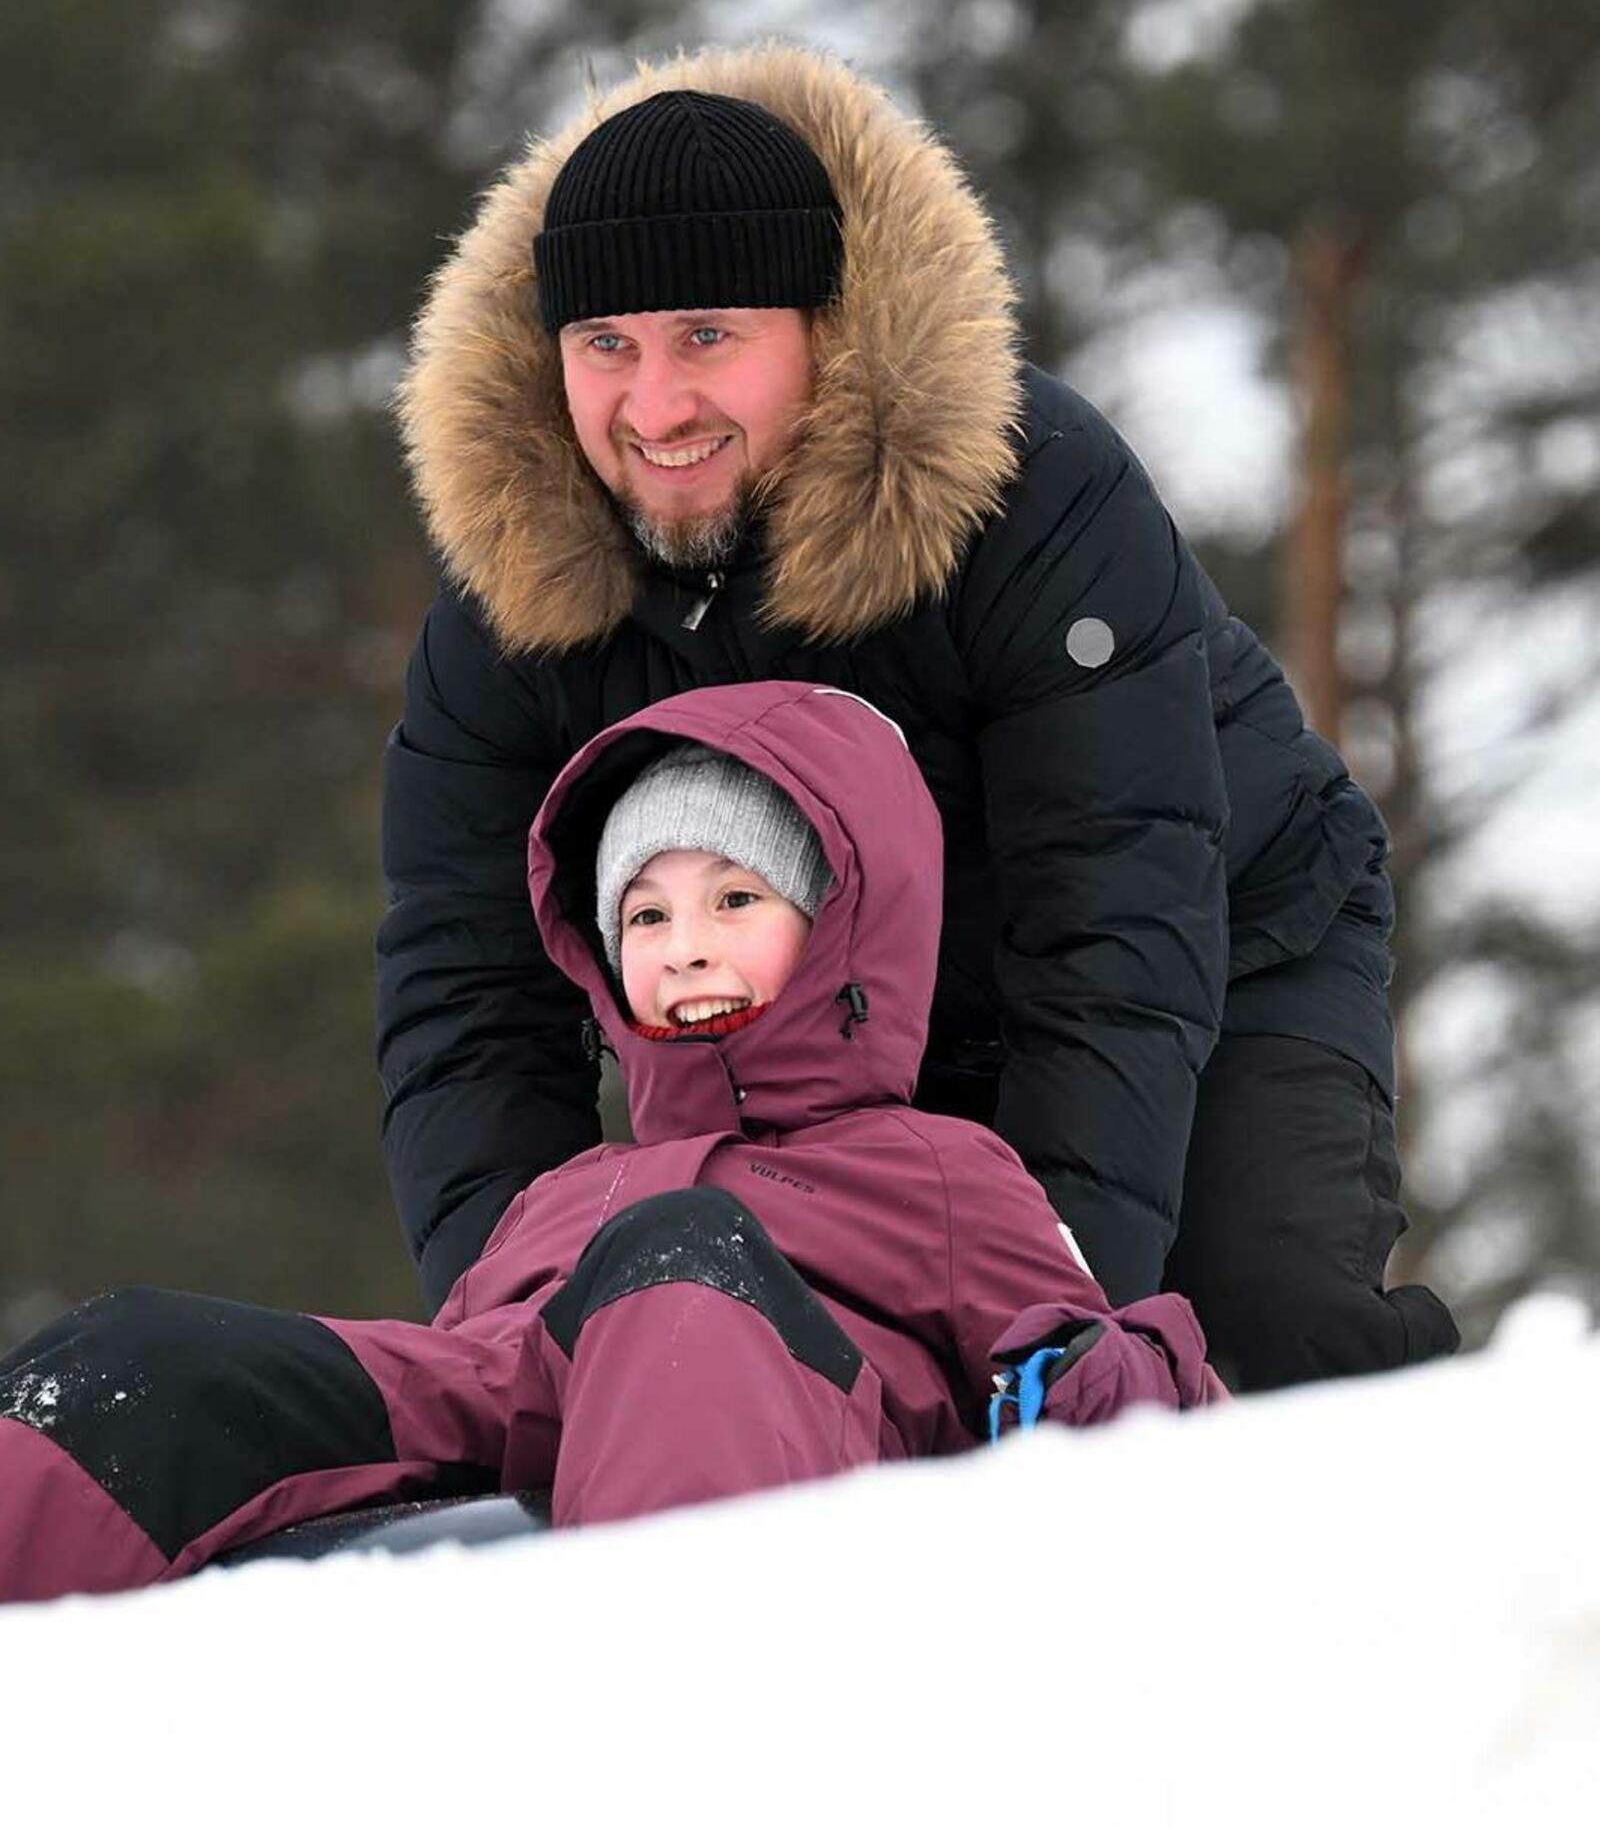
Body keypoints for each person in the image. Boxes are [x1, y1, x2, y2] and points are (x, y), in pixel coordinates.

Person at [383, 45, 1458, 1388]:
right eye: (608, 347)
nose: (654, 406)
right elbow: (465, 1001)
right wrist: (521, 1337)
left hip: (1224, 949)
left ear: (824, 336)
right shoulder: (512, 598)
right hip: (843, 1050)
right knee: (794, 1380)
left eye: (709, 336)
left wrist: (1064, 1316)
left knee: (1252, 1322)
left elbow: (1120, 920)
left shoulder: (1034, 495)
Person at [0, 682, 1220, 1604]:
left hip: (767, 1425)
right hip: (517, 1407)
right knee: (137, 1353)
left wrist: (1085, 1370)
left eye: (735, 900)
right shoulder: (566, 1189)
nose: (684, 943)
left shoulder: (943, 1170)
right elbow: (460, 1373)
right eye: (646, 912)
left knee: (679, 1263)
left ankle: (647, 1722)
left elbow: (1129, 1395)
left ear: (847, 927)